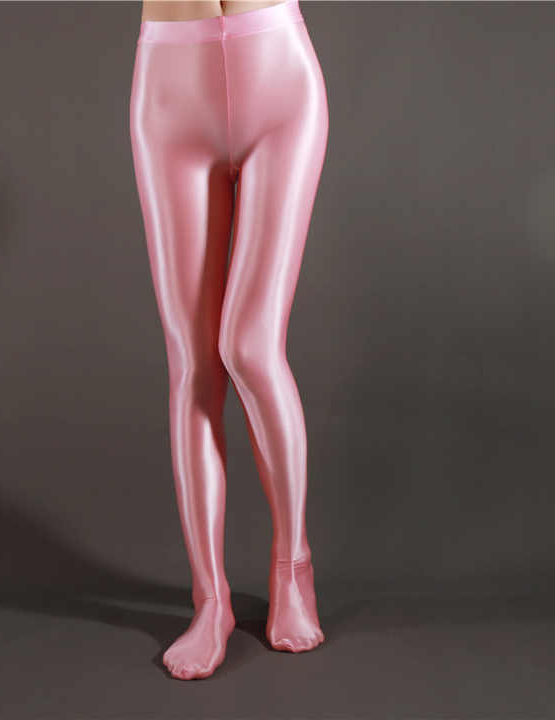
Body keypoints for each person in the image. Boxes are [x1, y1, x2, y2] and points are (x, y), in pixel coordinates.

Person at [129, 0, 329, 680]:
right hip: (170, 89)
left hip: (278, 78)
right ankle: (209, 599)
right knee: (192, 363)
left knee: (249, 345)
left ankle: (292, 566)